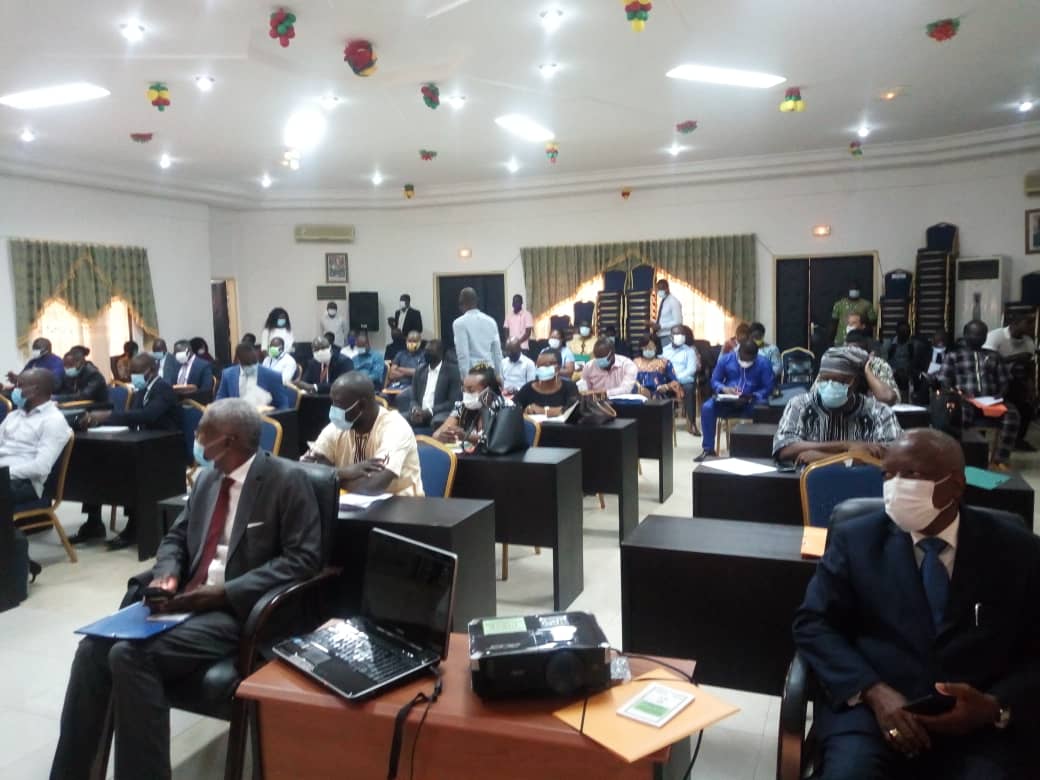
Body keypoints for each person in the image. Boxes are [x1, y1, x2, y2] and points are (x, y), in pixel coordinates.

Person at [51, 399, 322, 780]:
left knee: (130, 656)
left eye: (202, 432)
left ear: (228, 440)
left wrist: (223, 592)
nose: (195, 438)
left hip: (237, 609)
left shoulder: (287, 481)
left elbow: (302, 559)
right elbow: (176, 537)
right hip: (184, 598)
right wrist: (166, 574)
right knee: (91, 650)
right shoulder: (207, 479)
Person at [793, 428, 1040, 780]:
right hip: (873, 714)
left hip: (978, 725)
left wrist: (994, 705)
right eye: (887, 475)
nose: (895, 486)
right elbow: (813, 622)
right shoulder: (857, 539)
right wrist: (873, 691)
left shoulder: (1016, 550)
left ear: (955, 485)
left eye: (910, 474)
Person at [76, 353, 181, 549]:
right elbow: (132, 417)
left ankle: (134, 526)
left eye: (136, 372)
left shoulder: (163, 389)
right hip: (142, 443)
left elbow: (147, 416)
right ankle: (93, 522)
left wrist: (107, 416)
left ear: (151, 370)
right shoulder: (142, 390)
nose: (133, 376)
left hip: (165, 449)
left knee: (127, 471)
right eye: (131, 372)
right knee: (95, 465)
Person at [773, 346, 902, 465]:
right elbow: (784, 448)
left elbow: (894, 455)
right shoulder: (800, 405)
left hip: (862, 481)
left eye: (839, 381)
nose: (830, 385)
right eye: (824, 379)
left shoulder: (879, 412)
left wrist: (822, 458)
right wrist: (846, 445)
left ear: (855, 382)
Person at [301, 372, 424, 496]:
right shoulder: (337, 427)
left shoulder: (395, 428)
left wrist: (330, 478)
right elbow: (305, 469)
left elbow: (373, 486)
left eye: (337, 403)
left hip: (401, 504)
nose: (333, 409)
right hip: (350, 503)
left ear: (361, 405)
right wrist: (345, 472)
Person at [941, 320, 1019, 467]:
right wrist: (958, 394)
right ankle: (964, 456)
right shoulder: (953, 356)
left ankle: (1000, 460)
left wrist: (1001, 394)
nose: (978, 338)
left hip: (991, 402)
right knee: (959, 413)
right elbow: (944, 382)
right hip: (965, 401)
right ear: (965, 335)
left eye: (982, 335)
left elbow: (1004, 381)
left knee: (1012, 415)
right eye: (974, 334)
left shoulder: (994, 356)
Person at [0, 369, 71, 506]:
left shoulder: (53, 420)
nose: (15, 391)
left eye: (19, 386)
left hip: (24, 482)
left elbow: (41, 467)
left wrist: (4, 473)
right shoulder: (14, 415)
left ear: (35, 390)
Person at [696, 340, 775, 461]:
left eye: (749, 360)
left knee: (764, 407)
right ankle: (708, 450)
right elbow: (714, 380)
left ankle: (760, 451)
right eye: (743, 359)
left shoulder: (764, 363)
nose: (745, 362)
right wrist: (724, 388)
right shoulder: (726, 359)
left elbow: (768, 387)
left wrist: (753, 395)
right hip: (727, 401)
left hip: (751, 403)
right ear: (738, 352)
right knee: (707, 407)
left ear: (756, 356)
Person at [984, 314, 1037, 451]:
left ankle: (1017, 440)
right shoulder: (995, 337)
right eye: (1029, 324)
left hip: (1015, 380)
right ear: (1017, 323)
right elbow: (987, 362)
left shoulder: (1028, 342)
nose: (1033, 328)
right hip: (992, 381)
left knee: (1027, 406)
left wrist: (1032, 387)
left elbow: (1029, 367)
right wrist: (1016, 357)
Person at [433, 364, 504, 447]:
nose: (466, 394)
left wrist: (466, 436)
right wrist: (442, 436)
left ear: (487, 391)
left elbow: (497, 440)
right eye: (464, 389)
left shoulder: (503, 408)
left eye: (470, 390)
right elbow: (436, 435)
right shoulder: (461, 407)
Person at [405, 340, 462, 429]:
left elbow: (452, 402)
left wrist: (429, 411)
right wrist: (415, 409)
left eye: (430, 351)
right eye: (426, 351)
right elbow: (413, 398)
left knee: (437, 421)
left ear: (440, 353)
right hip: (419, 412)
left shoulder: (452, 372)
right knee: (398, 419)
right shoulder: (420, 371)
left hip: (438, 413)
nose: (426, 354)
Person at [216, 343, 289, 410]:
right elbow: (220, 399)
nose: (252, 367)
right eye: (248, 365)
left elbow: (283, 405)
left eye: (254, 364)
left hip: (263, 417)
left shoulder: (272, 375)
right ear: (239, 361)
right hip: (236, 416)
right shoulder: (228, 374)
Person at [453, 287, 503, 375]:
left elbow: (463, 356)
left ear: (461, 304)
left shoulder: (459, 323)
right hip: (490, 373)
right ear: (476, 301)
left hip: (473, 375)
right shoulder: (491, 321)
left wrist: (465, 379)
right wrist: (499, 376)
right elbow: (497, 353)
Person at [514, 351, 579, 417]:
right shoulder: (527, 389)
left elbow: (574, 411)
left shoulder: (569, 387)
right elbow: (513, 407)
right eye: (539, 366)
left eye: (546, 365)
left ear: (558, 368)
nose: (541, 369)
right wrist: (525, 410)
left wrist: (542, 411)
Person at [846, 329, 900, 405]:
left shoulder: (878, 364)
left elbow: (887, 398)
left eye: (858, 352)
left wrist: (867, 370)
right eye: (850, 352)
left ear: (868, 352)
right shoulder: (842, 365)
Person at [663, 325, 700, 429]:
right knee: (657, 388)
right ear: (671, 337)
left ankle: (692, 424)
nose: (680, 336)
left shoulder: (689, 351)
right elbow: (661, 367)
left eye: (682, 334)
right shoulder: (664, 351)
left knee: (689, 388)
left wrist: (677, 379)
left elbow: (691, 369)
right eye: (677, 334)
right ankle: (663, 423)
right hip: (668, 380)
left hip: (684, 380)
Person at [832, 281, 877, 346]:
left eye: (856, 289)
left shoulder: (866, 304)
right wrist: (831, 338)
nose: (854, 291)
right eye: (852, 289)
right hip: (841, 340)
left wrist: (862, 326)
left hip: (859, 340)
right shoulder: (839, 304)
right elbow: (834, 322)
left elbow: (873, 321)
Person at [884, 322, 915, 401]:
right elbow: (884, 360)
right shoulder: (890, 343)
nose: (905, 334)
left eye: (907, 332)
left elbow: (914, 361)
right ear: (897, 332)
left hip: (907, 373)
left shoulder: (911, 344)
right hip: (892, 371)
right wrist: (895, 370)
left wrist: (907, 370)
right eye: (902, 332)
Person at [649, 279, 683, 347]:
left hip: (669, 336)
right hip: (660, 336)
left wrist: (661, 326)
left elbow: (678, 322)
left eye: (661, 289)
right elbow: (664, 319)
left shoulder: (673, 301)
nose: (659, 291)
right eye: (658, 289)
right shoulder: (664, 301)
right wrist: (653, 323)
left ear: (667, 288)